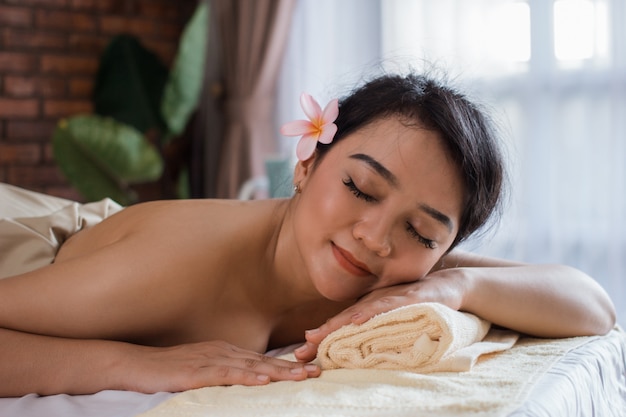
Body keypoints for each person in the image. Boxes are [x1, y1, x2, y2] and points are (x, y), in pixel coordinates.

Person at [0, 72, 615, 397]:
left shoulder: (407, 271)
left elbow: (593, 304)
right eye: (360, 189)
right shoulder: (166, 271)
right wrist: (137, 365)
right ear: (305, 164)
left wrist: (455, 289)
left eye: (423, 231)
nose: (376, 236)